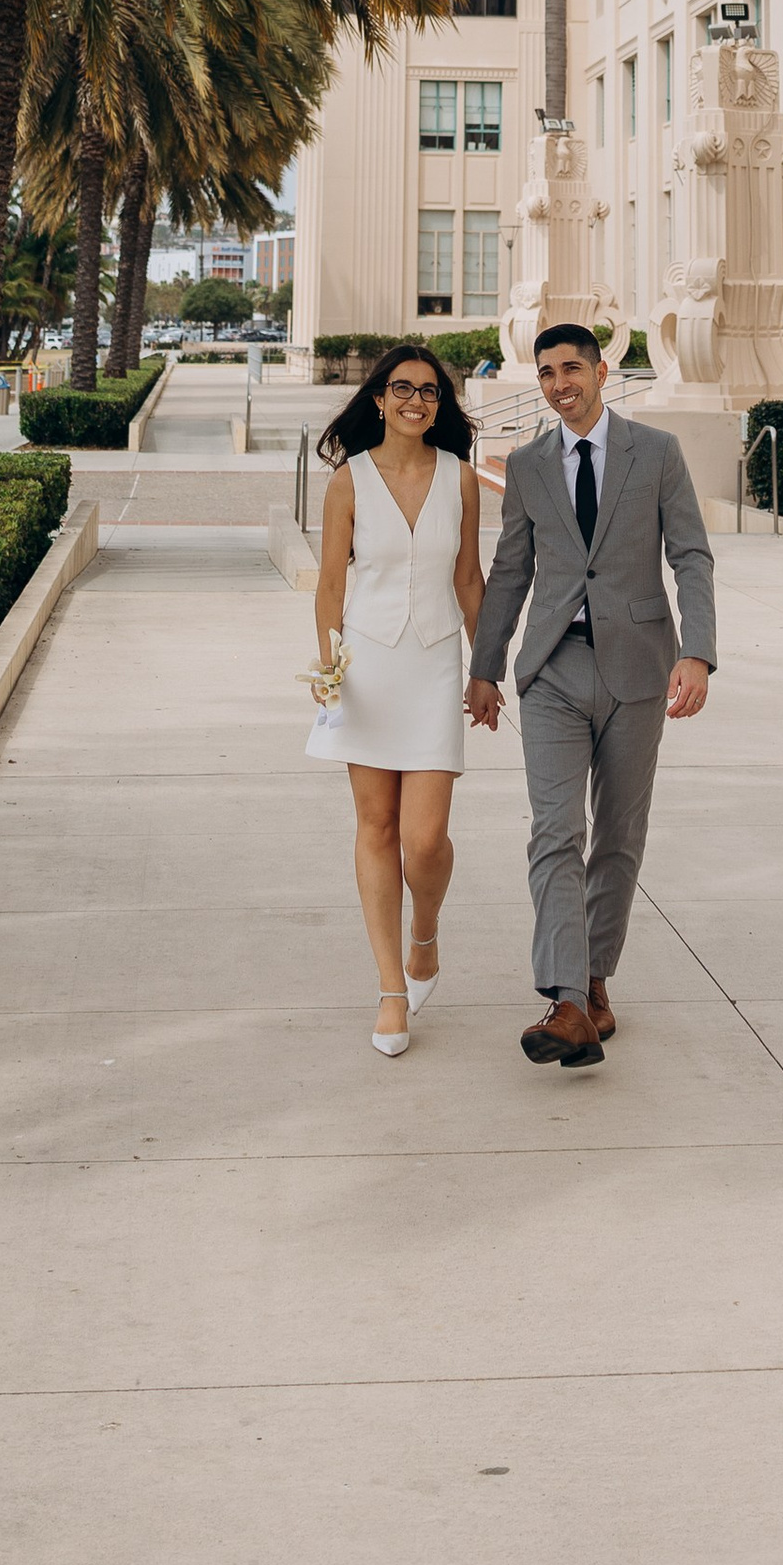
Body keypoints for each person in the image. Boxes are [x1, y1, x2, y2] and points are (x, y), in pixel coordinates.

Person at [465, 321, 716, 1068]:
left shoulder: (656, 452)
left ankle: (595, 984)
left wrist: (697, 652)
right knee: (554, 833)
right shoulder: (531, 464)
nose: (558, 383)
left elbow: (691, 554)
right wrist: (486, 667)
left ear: (603, 372)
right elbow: (511, 571)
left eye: (571, 368)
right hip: (553, 670)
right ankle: (567, 998)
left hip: (639, 666)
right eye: (546, 373)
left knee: (617, 836)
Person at [307, 341, 485, 1054]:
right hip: (368, 668)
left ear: (440, 407)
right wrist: (328, 671)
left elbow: (470, 581)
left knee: (423, 838)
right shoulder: (348, 482)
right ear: (378, 399)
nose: (417, 400)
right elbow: (329, 586)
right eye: (403, 388)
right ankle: (390, 989)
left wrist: (488, 669)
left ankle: (426, 933)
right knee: (376, 827)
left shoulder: (461, 478)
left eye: (430, 392)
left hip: (437, 663)